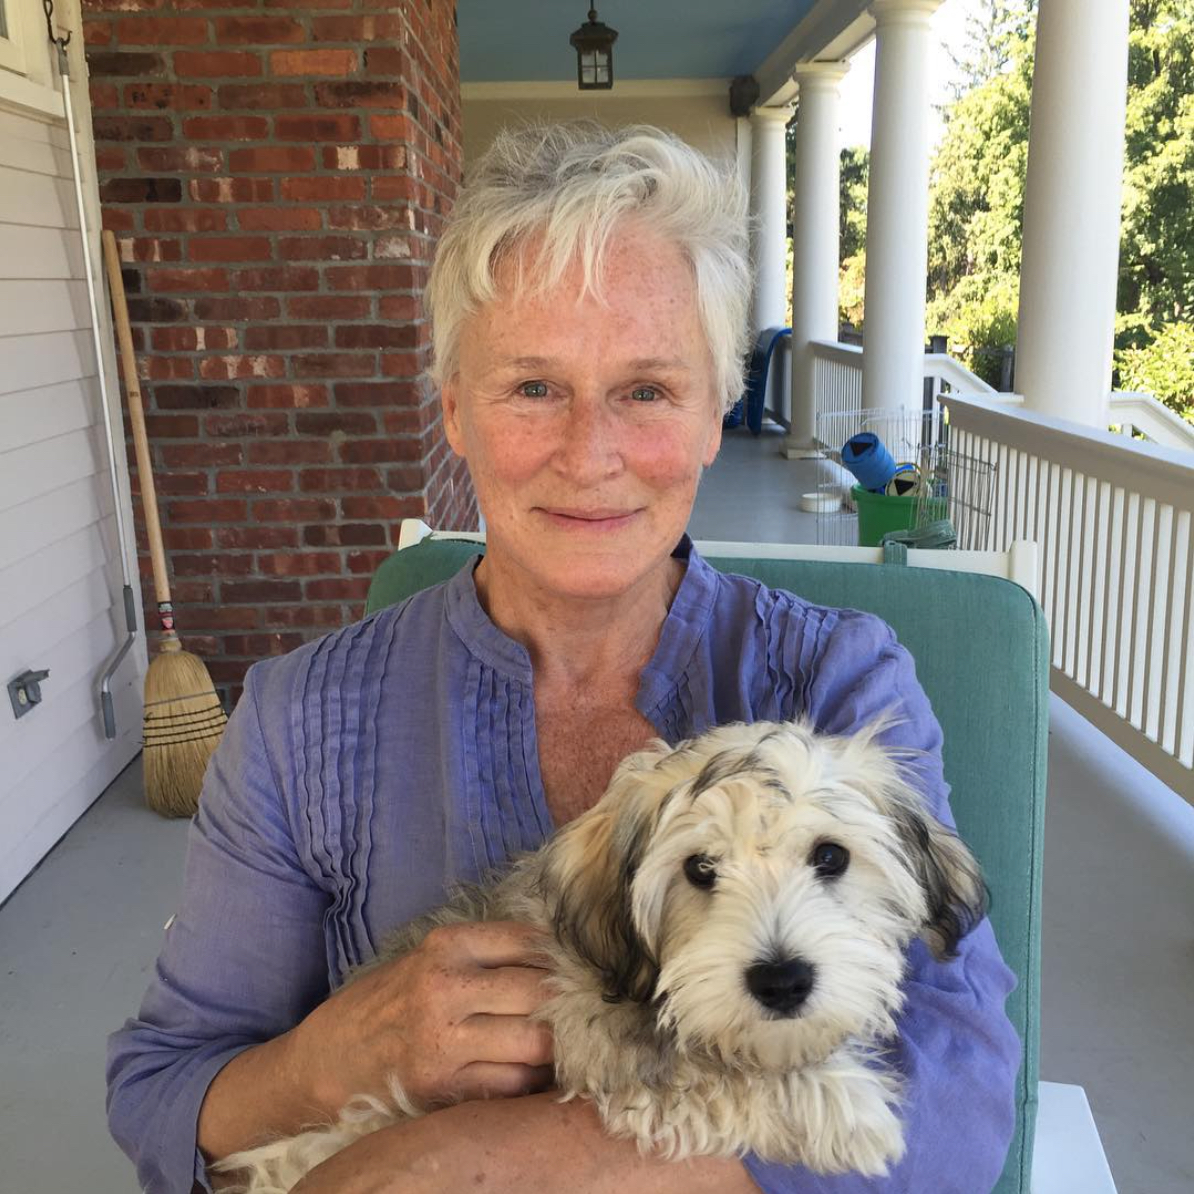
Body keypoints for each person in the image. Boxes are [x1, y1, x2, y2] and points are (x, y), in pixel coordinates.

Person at [107, 123, 1020, 1194]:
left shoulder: (839, 684)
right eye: (534, 388)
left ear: (715, 412)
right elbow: (163, 1097)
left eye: (646, 389)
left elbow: (960, 1092)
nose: (591, 457)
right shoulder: (296, 719)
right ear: (453, 409)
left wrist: (479, 1156)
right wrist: (330, 1062)